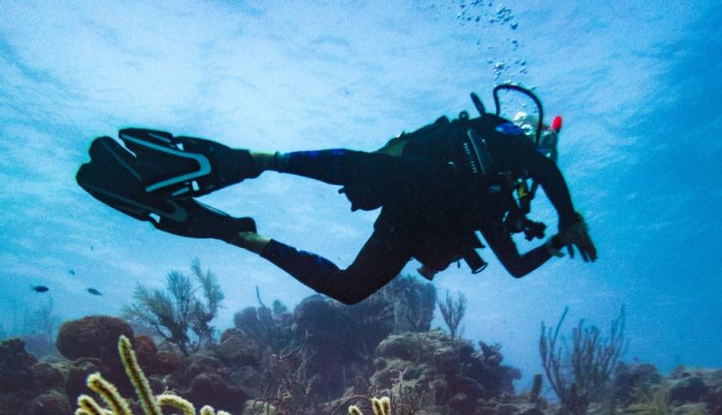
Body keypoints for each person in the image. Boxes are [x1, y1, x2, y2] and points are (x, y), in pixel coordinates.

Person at [77, 94, 596, 307]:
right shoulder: (505, 139)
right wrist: (569, 223)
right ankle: (248, 186)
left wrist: (555, 243)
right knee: (363, 178)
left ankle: (243, 212)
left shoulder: (496, 199)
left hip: (411, 210)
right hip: (420, 184)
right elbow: (546, 169)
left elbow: (517, 267)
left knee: (350, 286)